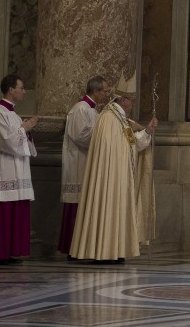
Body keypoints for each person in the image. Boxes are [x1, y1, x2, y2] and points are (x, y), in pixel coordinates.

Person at [69, 71, 158, 264]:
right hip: (109, 177)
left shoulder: (120, 118)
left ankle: (115, 250)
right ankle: (103, 251)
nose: (133, 106)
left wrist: (148, 131)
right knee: (107, 208)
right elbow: (115, 148)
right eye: (132, 102)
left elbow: (130, 143)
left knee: (118, 211)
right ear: (125, 100)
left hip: (119, 176)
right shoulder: (109, 118)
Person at [0, 75, 38, 265]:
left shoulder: (13, 114)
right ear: (11, 90)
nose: (24, 91)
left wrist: (26, 130)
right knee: (2, 212)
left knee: (15, 211)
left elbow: (18, 139)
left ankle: (10, 251)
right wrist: (23, 129)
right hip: (3, 169)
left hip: (16, 168)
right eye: (21, 87)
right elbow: (5, 141)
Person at [58, 76, 110, 258]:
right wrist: (103, 131)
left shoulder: (93, 111)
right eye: (105, 91)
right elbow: (80, 136)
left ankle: (86, 248)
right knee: (77, 206)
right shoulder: (80, 109)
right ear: (95, 91)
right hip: (78, 163)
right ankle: (74, 249)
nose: (106, 94)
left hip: (88, 162)